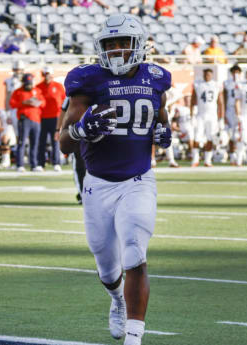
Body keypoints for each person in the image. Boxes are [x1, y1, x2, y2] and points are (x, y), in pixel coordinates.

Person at [59, 14, 173, 345]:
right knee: (108, 268)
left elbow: (162, 124)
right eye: (111, 45)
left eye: (124, 43)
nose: (118, 51)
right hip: (98, 183)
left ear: (138, 46)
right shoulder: (87, 80)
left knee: (135, 250)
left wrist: (165, 136)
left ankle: (134, 337)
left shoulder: (156, 78)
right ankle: (117, 299)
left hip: (138, 179)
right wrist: (82, 129)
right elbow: (65, 142)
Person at [10, 73, 44, 172]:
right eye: (27, 83)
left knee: (35, 143)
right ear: (23, 82)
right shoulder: (18, 92)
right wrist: (24, 102)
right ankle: (20, 164)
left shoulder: (37, 91)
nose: (29, 85)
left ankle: (34, 164)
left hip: (36, 119)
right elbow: (12, 104)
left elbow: (43, 103)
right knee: (22, 142)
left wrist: (38, 102)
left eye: (30, 83)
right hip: (24, 119)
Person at [190, 68, 224, 167]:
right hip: (200, 114)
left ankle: (207, 160)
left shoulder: (216, 85)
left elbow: (221, 103)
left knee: (211, 137)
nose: (207, 76)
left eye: (208, 75)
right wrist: (192, 115)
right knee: (197, 137)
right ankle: (195, 159)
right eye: (205, 74)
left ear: (211, 75)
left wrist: (221, 118)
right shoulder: (198, 84)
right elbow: (192, 100)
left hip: (212, 115)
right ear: (203, 75)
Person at [37, 66, 66, 171]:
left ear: (51, 74)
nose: (46, 76)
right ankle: (40, 163)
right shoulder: (38, 87)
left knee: (55, 140)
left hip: (55, 117)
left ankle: (56, 163)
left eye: (48, 73)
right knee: (41, 141)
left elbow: (64, 102)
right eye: (44, 74)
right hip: (42, 117)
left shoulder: (58, 86)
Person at [223, 65, 242, 156]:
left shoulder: (243, 83)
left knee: (239, 132)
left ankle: (240, 154)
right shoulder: (227, 83)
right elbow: (224, 98)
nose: (235, 74)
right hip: (230, 109)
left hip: (241, 111)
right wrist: (223, 113)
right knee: (230, 133)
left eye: (237, 72)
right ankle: (232, 155)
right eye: (234, 72)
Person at [233, 70, 247, 165]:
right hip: (245, 115)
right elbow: (237, 101)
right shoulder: (242, 86)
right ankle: (239, 159)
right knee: (242, 137)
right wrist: (238, 114)